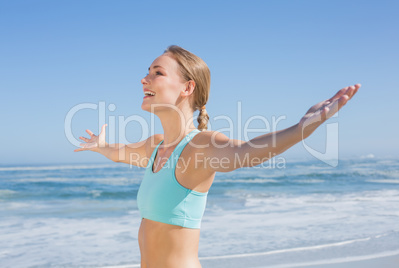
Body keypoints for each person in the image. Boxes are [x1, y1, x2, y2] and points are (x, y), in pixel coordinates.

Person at [74, 45, 360, 268]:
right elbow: (120, 154)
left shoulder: (199, 147)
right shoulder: (156, 146)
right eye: (147, 70)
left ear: (187, 88)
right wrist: (101, 146)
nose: (144, 78)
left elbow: (246, 151)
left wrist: (301, 129)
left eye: (157, 72)